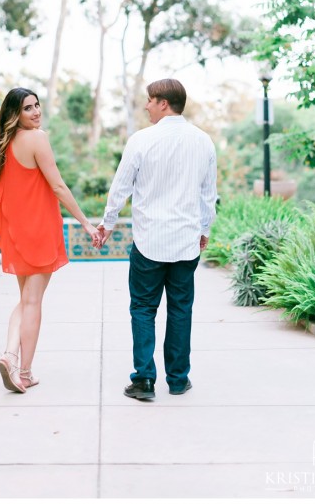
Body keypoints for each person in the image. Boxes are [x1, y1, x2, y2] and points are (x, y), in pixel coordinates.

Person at [94, 78, 217, 400]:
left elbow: (121, 187)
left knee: (143, 309)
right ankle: (177, 379)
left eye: (150, 100)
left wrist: (107, 224)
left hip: (149, 242)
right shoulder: (203, 142)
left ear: (164, 103)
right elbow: (208, 194)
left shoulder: (141, 140)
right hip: (185, 243)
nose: (146, 106)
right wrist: (204, 230)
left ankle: (144, 380)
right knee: (180, 310)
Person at [0, 87, 100, 394]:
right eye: (28, 108)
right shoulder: (37, 139)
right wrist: (86, 224)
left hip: (16, 231)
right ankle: (21, 369)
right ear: (15, 114)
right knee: (34, 302)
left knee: (26, 300)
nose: (36, 112)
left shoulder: (4, 143)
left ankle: (10, 355)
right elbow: (59, 187)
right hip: (39, 230)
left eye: (37, 105)